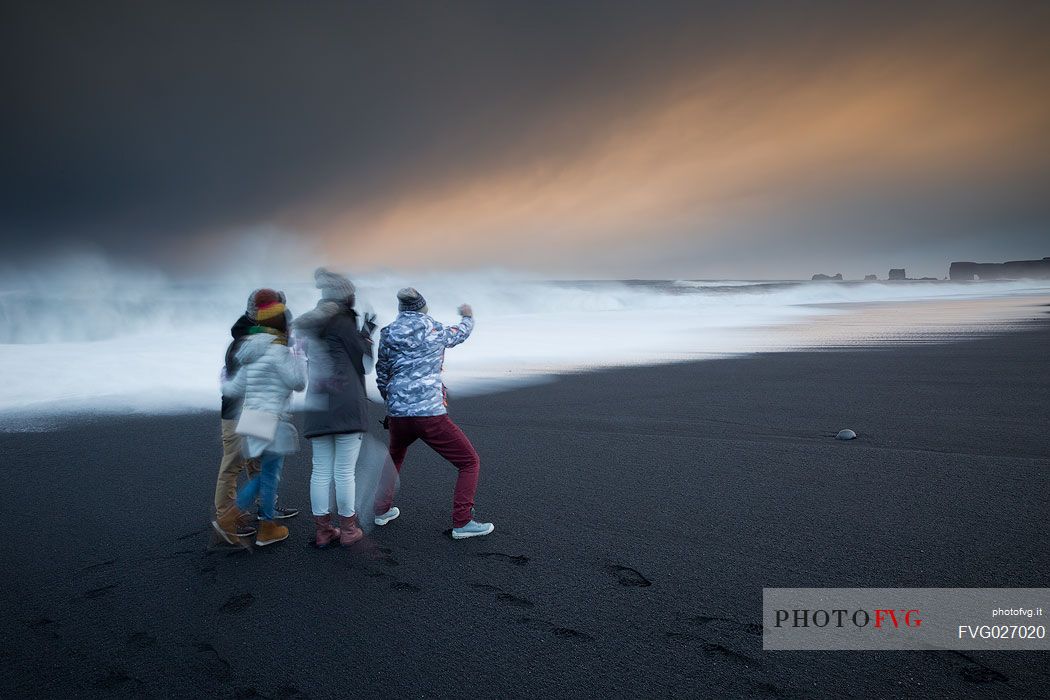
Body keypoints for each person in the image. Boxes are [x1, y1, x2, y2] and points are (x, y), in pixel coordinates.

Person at [374, 287, 494, 539]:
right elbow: (461, 333)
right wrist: (468, 316)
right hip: (429, 412)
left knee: (395, 457)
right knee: (468, 461)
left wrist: (391, 402)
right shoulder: (436, 330)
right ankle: (462, 522)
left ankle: (381, 510)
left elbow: (382, 373)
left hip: (399, 413)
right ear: (422, 307)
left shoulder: (388, 333)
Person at [214, 297, 307, 546]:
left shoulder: (249, 349)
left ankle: (253, 520)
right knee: (268, 474)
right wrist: (299, 356)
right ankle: (253, 523)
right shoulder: (279, 352)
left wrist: (223, 380)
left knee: (264, 472)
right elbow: (298, 383)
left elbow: (234, 388)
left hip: (252, 418)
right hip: (272, 418)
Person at [296, 268, 376, 548]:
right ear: (346, 298)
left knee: (320, 470)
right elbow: (363, 363)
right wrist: (367, 335)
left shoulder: (309, 325)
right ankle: (349, 528)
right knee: (344, 472)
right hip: (346, 404)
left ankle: (322, 529)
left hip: (318, 402)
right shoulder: (344, 321)